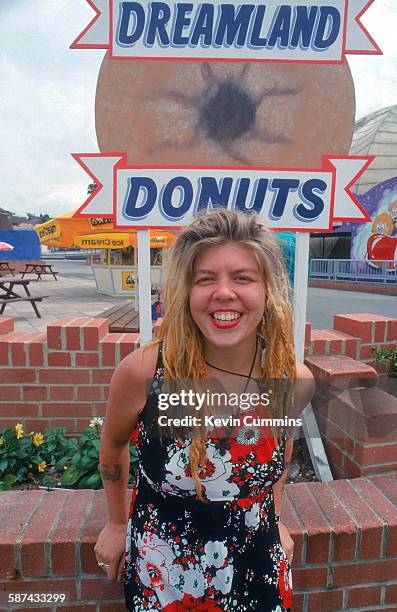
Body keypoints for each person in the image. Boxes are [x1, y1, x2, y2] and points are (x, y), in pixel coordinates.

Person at [94, 209, 314, 611]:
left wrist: (276, 516)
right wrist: (114, 521)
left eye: (243, 277)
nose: (224, 293)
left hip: (258, 567)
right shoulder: (146, 373)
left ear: (268, 291)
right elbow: (112, 446)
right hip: (166, 574)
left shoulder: (287, 377)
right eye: (205, 279)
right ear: (185, 292)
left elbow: (277, 454)